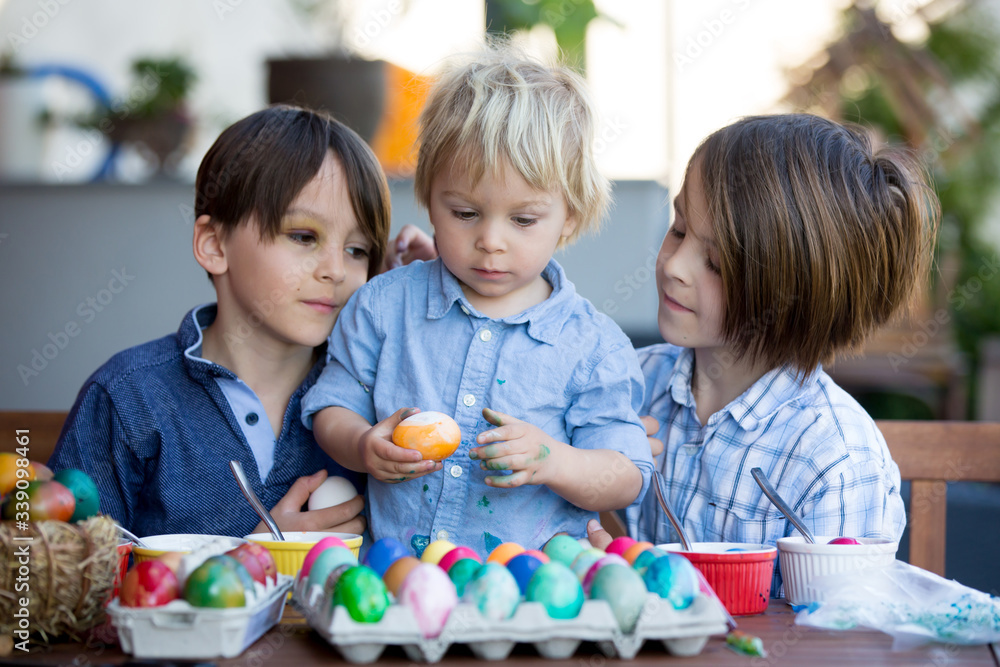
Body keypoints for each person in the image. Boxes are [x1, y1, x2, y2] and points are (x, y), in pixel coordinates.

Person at [302, 46, 655, 557]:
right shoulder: (383, 307)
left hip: (531, 596)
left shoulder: (593, 346)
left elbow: (626, 474)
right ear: (429, 198)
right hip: (397, 581)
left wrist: (554, 460)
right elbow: (332, 405)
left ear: (570, 218)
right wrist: (361, 444)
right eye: (465, 213)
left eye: (524, 220)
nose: (491, 239)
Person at [48, 105, 431, 538]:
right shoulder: (127, 398)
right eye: (304, 237)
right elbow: (69, 588)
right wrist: (254, 556)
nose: (336, 271)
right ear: (214, 245)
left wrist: (440, 297)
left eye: (357, 250)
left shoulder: (375, 394)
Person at [591, 115, 939, 587]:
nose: (674, 264)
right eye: (678, 228)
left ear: (794, 294)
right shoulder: (628, 383)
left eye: (713, 262)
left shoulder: (835, 459)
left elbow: (836, 634)